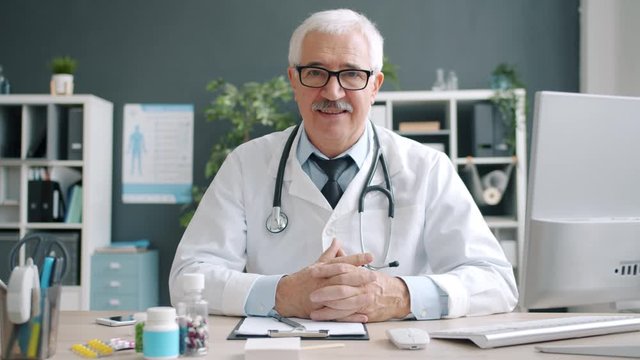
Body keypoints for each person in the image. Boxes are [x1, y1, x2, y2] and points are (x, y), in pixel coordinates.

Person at [170, 8, 517, 323]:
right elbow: (188, 277)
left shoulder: (427, 168)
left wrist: (399, 296)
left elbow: (496, 282)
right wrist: (282, 294)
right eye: (316, 72)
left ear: (374, 86)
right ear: (294, 80)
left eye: (352, 74)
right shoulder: (246, 164)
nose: (333, 92)